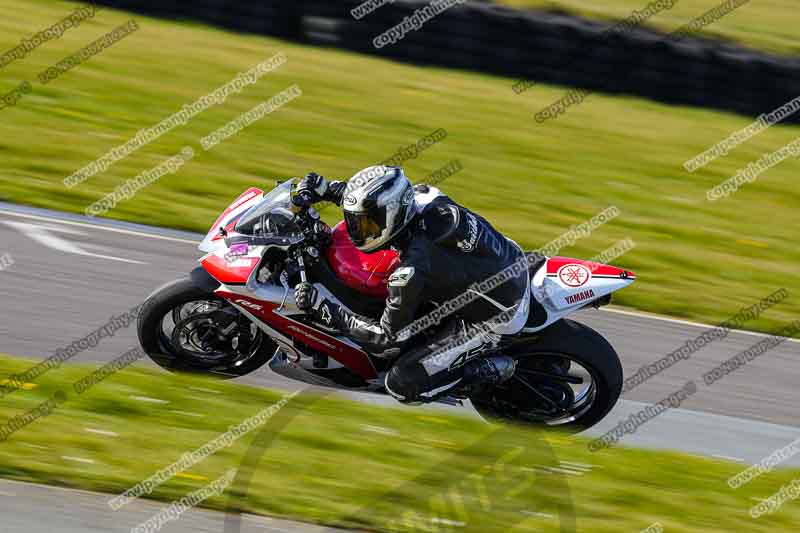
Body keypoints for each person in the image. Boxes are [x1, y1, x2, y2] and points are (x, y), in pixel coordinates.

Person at [292, 166, 530, 403]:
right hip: (508, 258)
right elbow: (377, 203)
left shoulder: (412, 271)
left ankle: (484, 370)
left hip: (498, 317)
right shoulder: (425, 196)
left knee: (402, 384)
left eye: (366, 225)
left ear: (392, 217)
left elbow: (386, 340)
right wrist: (328, 189)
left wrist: (324, 309)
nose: (358, 230)